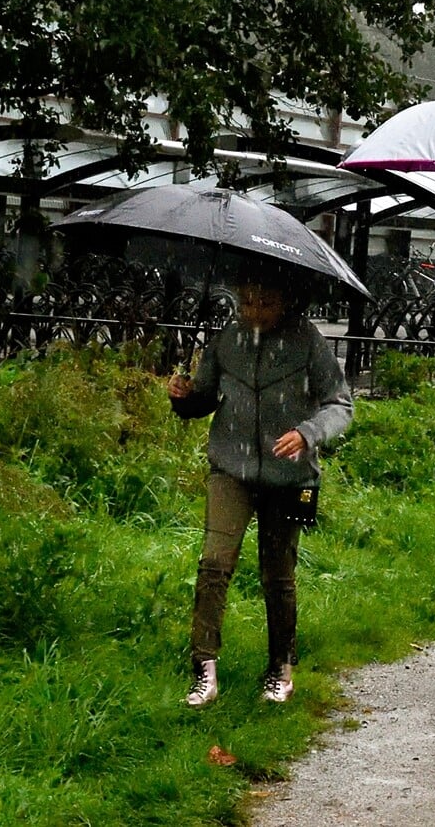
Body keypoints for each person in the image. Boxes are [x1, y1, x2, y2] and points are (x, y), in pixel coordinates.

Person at [170, 270, 354, 708]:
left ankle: (280, 667)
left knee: (277, 574)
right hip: (230, 469)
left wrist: (308, 432)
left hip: (289, 478)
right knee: (213, 564)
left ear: (285, 301)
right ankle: (204, 670)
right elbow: (206, 399)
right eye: (246, 301)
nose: (254, 312)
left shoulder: (308, 342)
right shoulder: (227, 340)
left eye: (265, 303)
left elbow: (340, 404)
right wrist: (183, 397)